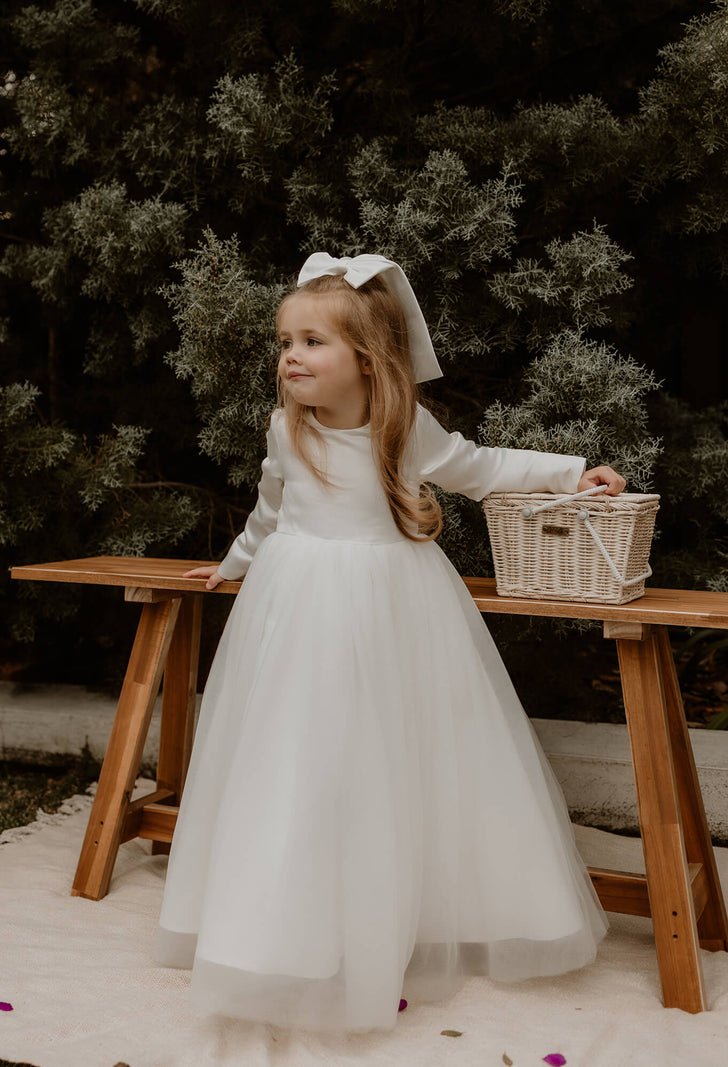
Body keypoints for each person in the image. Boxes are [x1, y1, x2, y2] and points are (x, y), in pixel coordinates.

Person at [154, 252, 622, 1033]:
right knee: (295, 757)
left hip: (392, 608)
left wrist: (572, 473)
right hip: (296, 606)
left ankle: (395, 910)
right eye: (285, 342)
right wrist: (233, 564)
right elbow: (269, 513)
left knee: (395, 757)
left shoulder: (403, 427)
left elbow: (482, 467)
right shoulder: (285, 426)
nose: (291, 357)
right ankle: (280, 921)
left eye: (311, 342)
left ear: (366, 360)